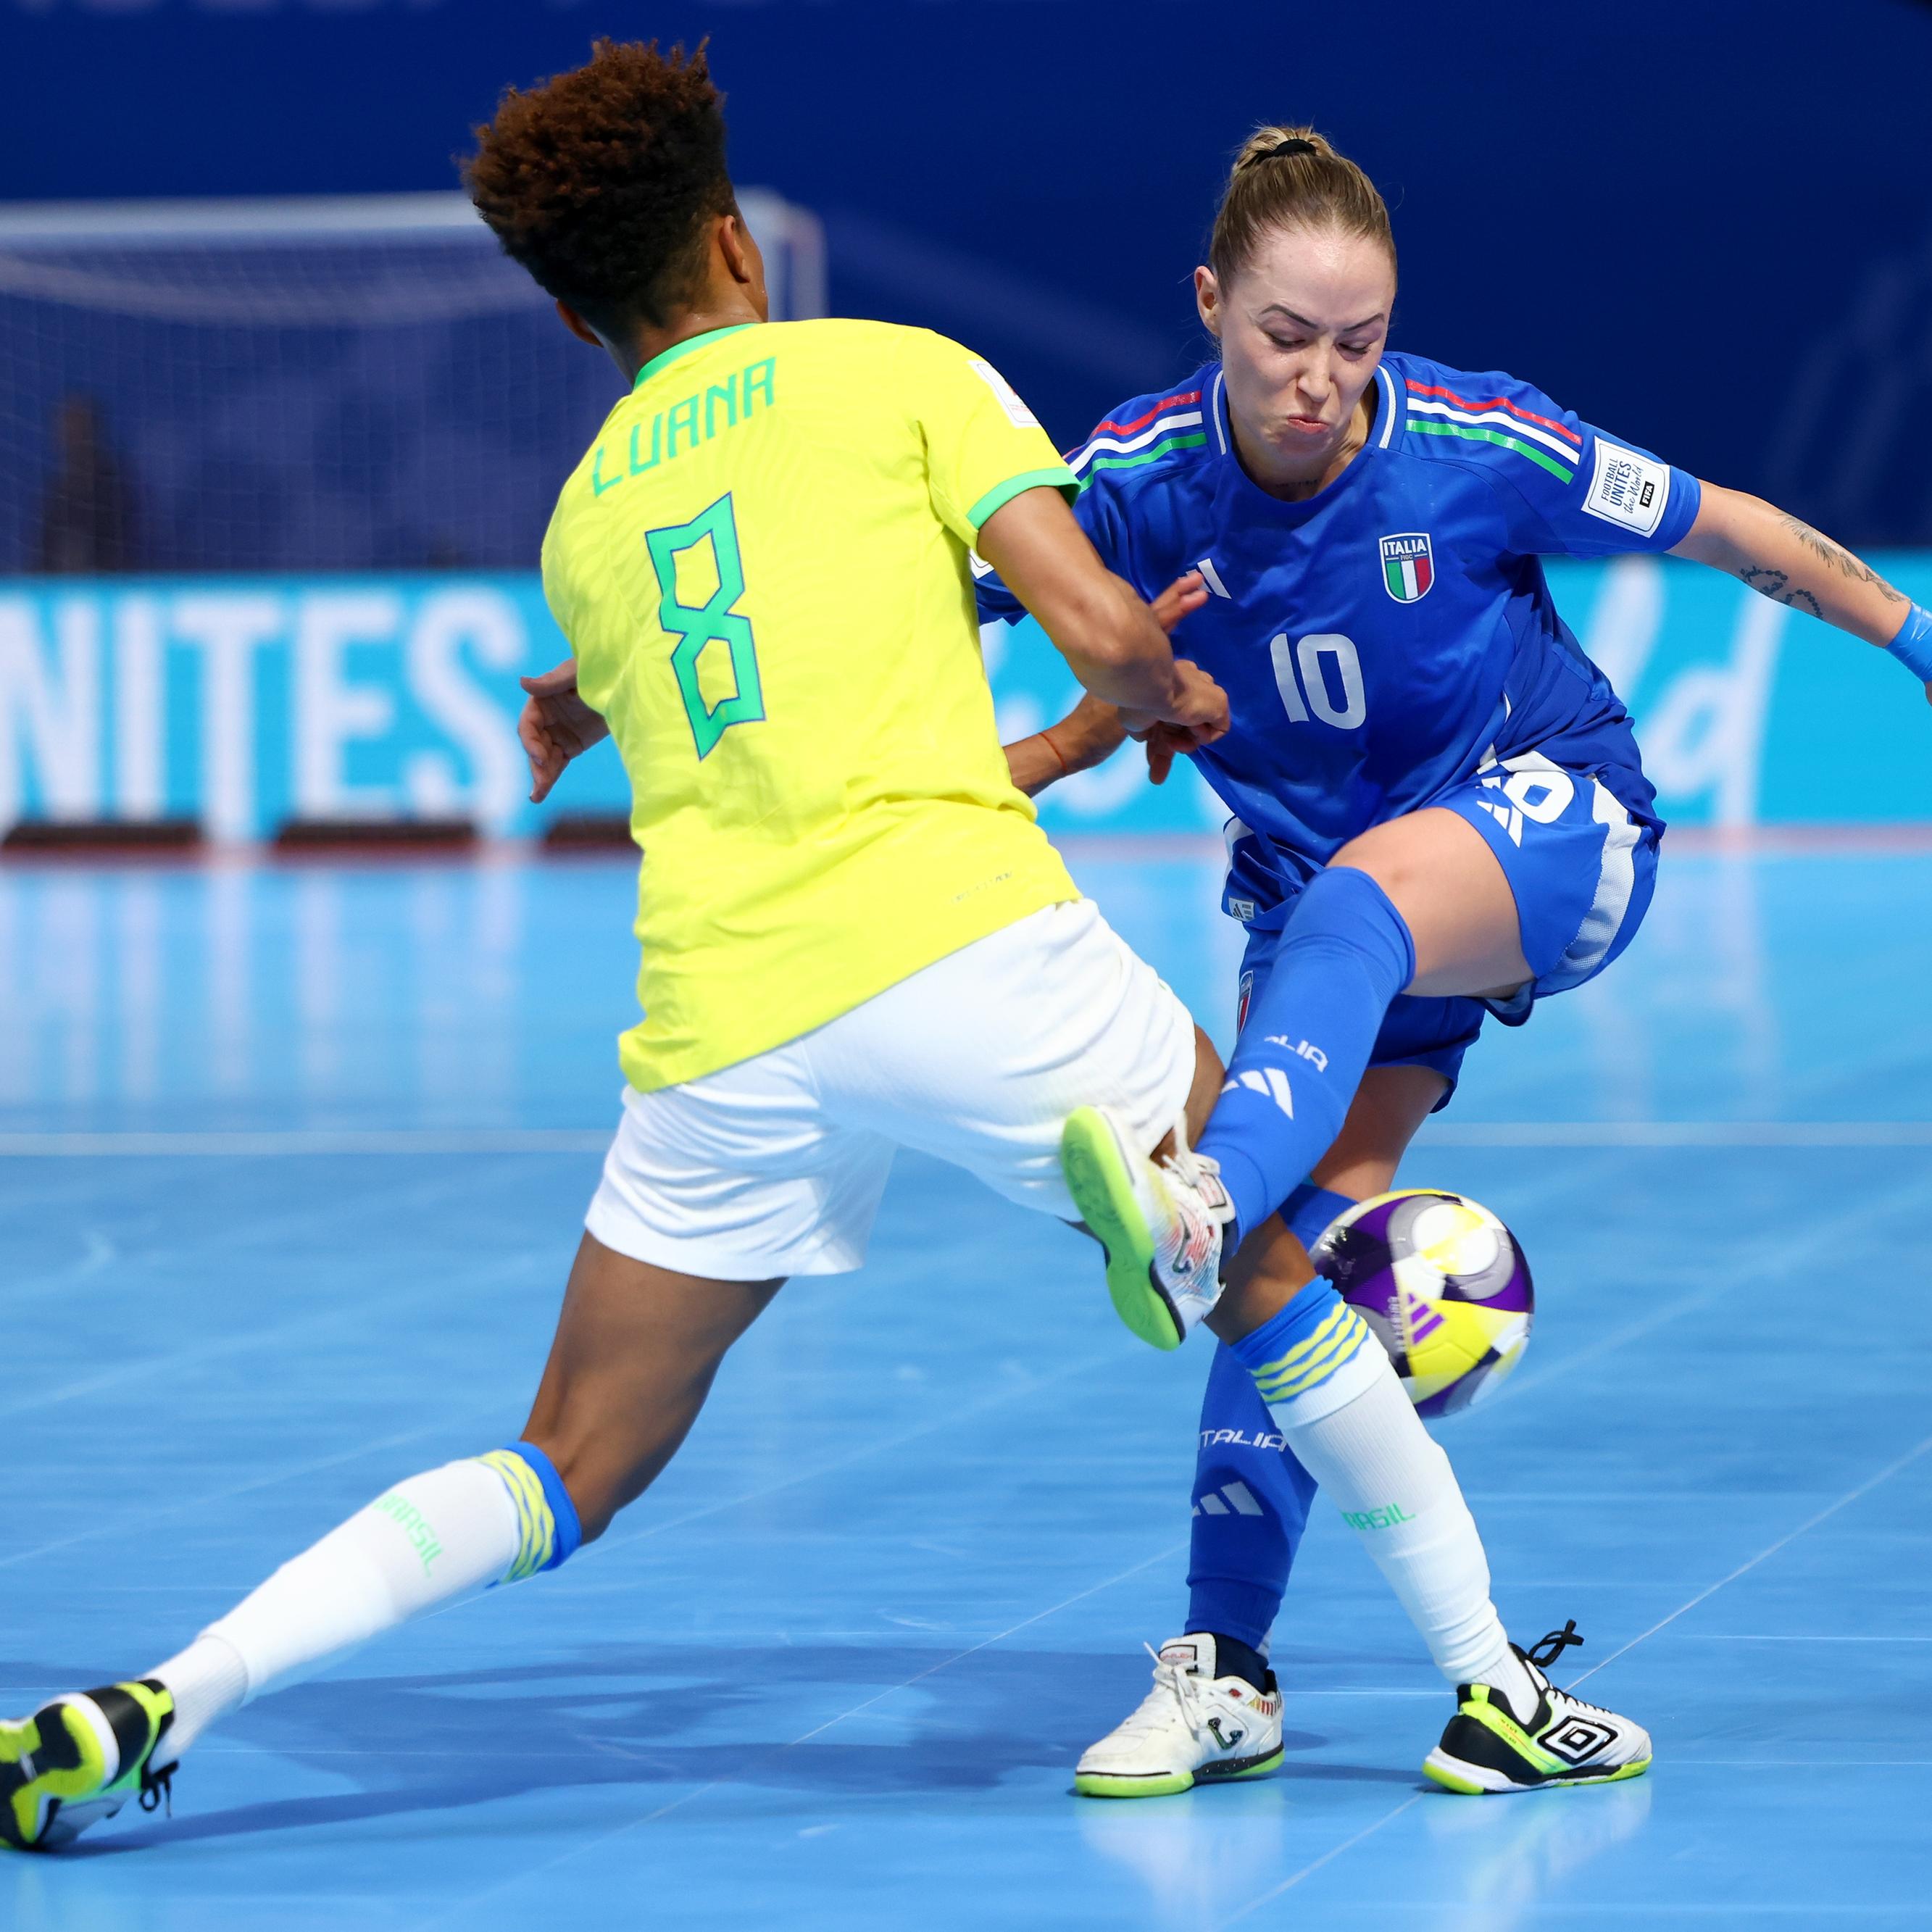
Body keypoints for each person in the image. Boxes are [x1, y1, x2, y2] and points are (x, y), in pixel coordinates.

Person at [0, 39, 1239, 1852]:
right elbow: (1094, 627)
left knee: (567, 1454)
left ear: (581, 327)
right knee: (1290, 1219)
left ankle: (172, 1694)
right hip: (959, 947)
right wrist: (1159, 687)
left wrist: (580, 706)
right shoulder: (903, 372)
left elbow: (724, 696)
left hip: (726, 1029)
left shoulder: (585, 521)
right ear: (738, 245)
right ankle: (1391, 1558)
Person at [986, 125, 1932, 1799]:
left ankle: (1188, 1192)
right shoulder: (1127, 480)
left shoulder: (1479, 439)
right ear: (1210, 305)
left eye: (1357, 344)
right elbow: (921, 601)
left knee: (1313, 993)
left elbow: (1731, 532)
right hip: (1327, 905)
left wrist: (1922, 642)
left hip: (1550, 826)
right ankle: (1234, 1674)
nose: (1324, 383)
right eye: (1285, 337)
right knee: (1284, 1269)